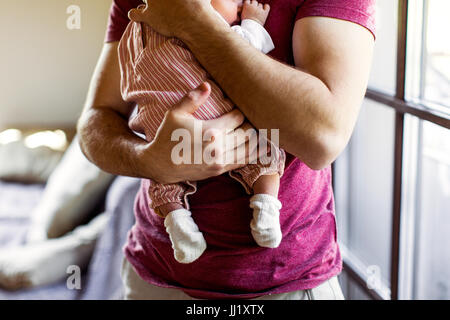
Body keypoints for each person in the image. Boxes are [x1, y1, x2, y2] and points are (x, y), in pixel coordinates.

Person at [78, 0, 375, 299]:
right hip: (155, 277)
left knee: (264, 157)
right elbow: (95, 121)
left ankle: (264, 208)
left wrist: (193, 21)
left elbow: (323, 139)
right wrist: (148, 160)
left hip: (286, 284)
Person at [119, 0, 285, 265]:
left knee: (163, 181)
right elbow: (243, 55)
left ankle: (178, 223)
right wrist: (252, 23)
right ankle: (265, 205)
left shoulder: (137, 27)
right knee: (267, 142)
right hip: (213, 111)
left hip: (160, 128)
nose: (241, 7)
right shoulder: (193, 20)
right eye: (233, 1)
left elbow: (127, 82)